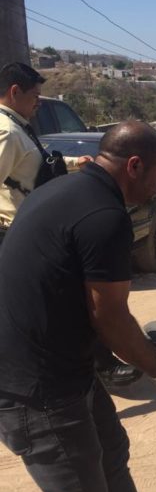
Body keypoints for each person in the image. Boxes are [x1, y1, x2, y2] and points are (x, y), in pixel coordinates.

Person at [0, 120, 156, 492]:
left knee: (111, 453)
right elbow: (110, 317)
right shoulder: (105, 217)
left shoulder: (60, 189)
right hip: (33, 384)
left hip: (63, 364)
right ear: (134, 166)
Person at [0, 62, 137, 387]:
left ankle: (92, 364)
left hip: (27, 228)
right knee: (73, 298)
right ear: (15, 91)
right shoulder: (6, 131)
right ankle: (99, 366)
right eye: (35, 96)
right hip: (16, 232)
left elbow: (33, 163)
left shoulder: (17, 126)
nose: (38, 102)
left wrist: (74, 163)